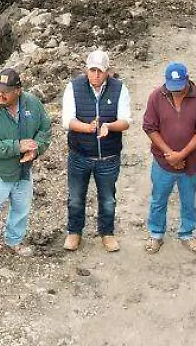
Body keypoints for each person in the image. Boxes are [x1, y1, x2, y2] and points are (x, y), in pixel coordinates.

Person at [0, 66, 52, 270]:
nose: (0, 94)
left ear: (18, 90)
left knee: (21, 209)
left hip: (23, 171)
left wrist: (36, 149)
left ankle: (14, 240)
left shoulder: (32, 104)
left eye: (5, 91)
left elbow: (45, 128)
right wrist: (17, 146)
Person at [61, 49, 132, 253]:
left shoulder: (120, 89)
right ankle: (74, 232)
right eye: (92, 70)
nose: (96, 75)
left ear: (107, 71)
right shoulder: (74, 87)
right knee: (75, 196)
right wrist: (87, 128)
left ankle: (107, 233)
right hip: (79, 154)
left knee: (108, 197)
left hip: (108, 156)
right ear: (86, 69)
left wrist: (109, 126)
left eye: (100, 71)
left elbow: (126, 121)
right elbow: (67, 120)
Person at [142, 61, 196, 253]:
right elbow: (149, 127)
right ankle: (156, 234)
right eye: (173, 89)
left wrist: (182, 154)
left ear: (187, 80)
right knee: (158, 199)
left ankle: (187, 233)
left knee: (189, 200)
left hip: (190, 162)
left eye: (180, 88)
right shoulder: (156, 96)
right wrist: (169, 154)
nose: (176, 92)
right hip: (162, 162)